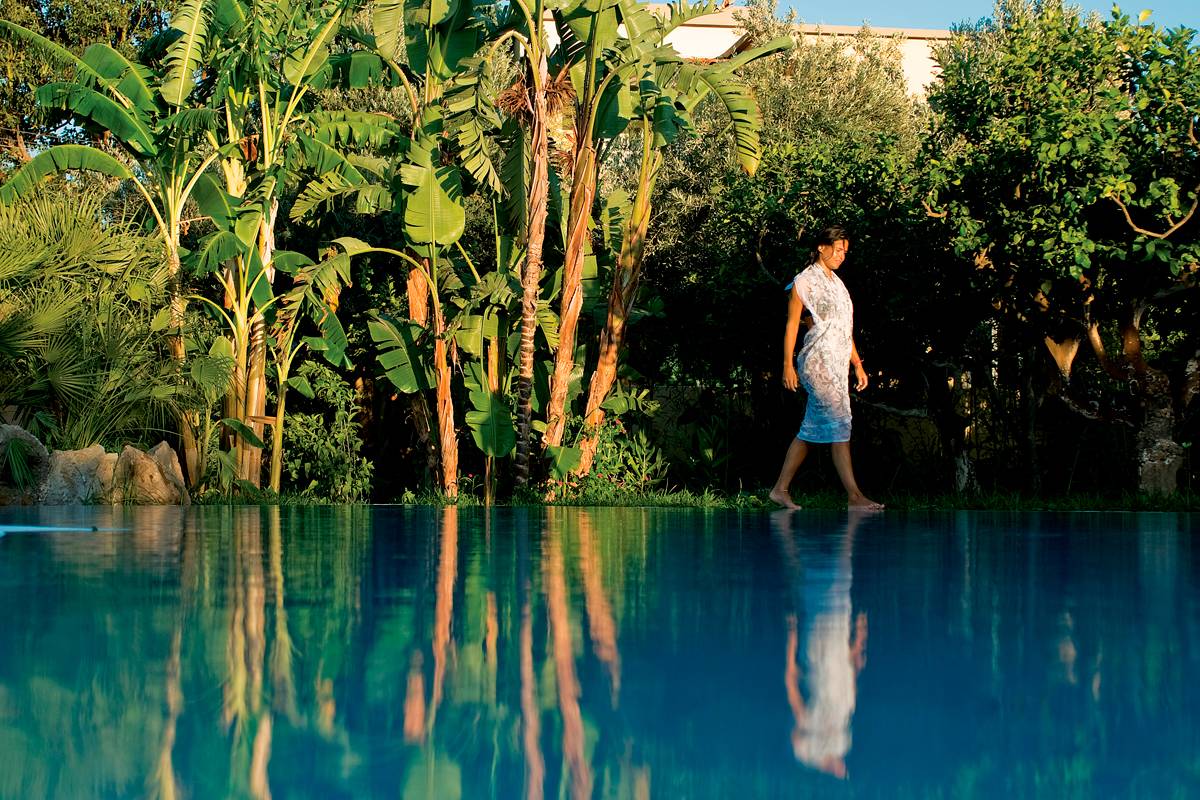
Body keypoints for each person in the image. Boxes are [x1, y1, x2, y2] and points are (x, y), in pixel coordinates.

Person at [770, 226, 882, 510]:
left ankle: (780, 489)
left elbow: (843, 329)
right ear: (822, 247)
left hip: (837, 365)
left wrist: (857, 363)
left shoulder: (838, 285)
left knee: (822, 427)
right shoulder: (804, 281)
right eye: (838, 249)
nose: (842, 255)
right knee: (838, 423)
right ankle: (854, 496)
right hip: (817, 363)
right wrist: (787, 365)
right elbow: (793, 324)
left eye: (846, 252)